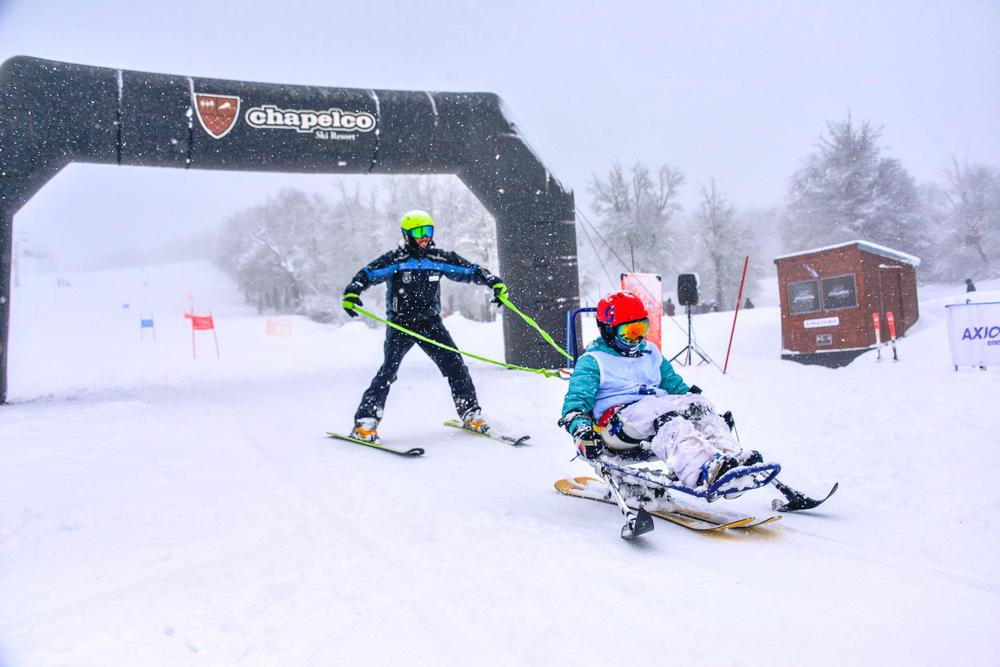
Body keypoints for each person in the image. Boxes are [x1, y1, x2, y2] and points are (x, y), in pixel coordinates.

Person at [558, 290, 761, 491]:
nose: (637, 339)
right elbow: (575, 404)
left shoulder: (650, 352)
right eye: (630, 332)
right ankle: (701, 472)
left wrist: (698, 409)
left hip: (653, 412)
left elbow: (676, 387)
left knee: (699, 405)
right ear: (609, 331)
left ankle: (731, 458)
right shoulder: (593, 361)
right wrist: (581, 430)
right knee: (666, 417)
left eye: (641, 329)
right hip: (616, 425)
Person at [342, 210, 507, 444]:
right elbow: (369, 273)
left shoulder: (436, 258)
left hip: (430, 323)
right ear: (407, 234)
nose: (424, 237)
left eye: (428, 231)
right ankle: (365, 423)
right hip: (401, 325)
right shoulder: (396, 260)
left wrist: (493, 281)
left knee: (456, 365)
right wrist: (353, 290)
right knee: (389, 370)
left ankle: (471, 413)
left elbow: (469, 271)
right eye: (419, 232)